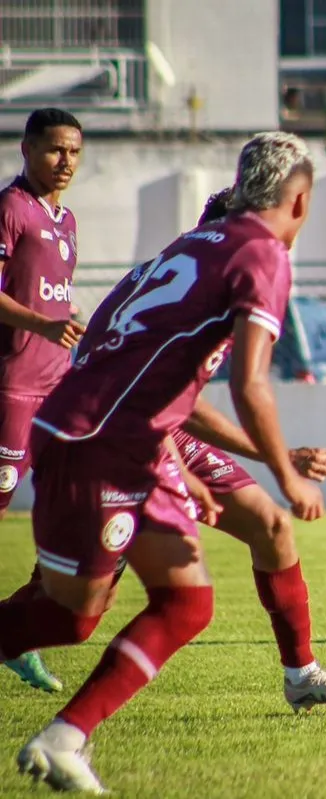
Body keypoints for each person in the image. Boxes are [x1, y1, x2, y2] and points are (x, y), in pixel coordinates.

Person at [0, 131, 324, 793]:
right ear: (298, 200)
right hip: (104, 441)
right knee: (86, 614)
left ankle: (64, 737)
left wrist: (172, 461)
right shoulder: (264, 253)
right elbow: (250, 385)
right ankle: (63, 737)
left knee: (153, 605)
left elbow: (122, 355)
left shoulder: (186, 248)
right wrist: (287, 473)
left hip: (96, 430)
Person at [11, 187, 326, 715]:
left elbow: (174, 396)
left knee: (270, 526)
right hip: (113, 436)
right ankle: (24, 644)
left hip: (151, 426)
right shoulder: (214, 282)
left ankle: (301, 674)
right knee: (75, 614)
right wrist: (279, 460)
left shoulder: (169, 270)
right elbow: (165, 394)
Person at [0, 108, 87, 693]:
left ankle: (18, 631)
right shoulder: (10, 208)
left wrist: (70, 327)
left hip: (59, 388)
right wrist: (43, 324)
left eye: (74, 152)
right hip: (13, 385)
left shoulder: (67, 219)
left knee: (73, 506)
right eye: (55, 149)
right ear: (27, 149)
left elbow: (54, 295)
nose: (65, 162)